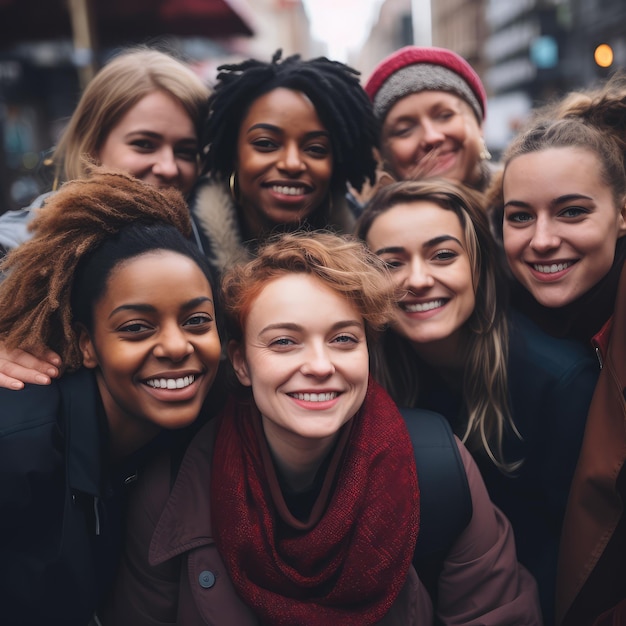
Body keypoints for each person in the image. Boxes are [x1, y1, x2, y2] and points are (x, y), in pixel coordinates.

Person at [101, 230, 541, 625]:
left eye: (343, 339)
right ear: (240, 363)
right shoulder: (176, 485)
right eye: (284, 342)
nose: (319, 365)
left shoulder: (438, 467)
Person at [356, 179, 598, 623]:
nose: (418, 279)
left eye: (443, 255)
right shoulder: (366, 375)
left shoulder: (561, 383)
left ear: (480, 265)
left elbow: (581, 551)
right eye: (391, 263)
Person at [0, 170, 222, 625]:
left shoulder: (203, 429)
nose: (178, 347)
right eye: (136, 327)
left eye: (197, 321)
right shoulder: (18, 448)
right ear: (86, 344)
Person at [493, 78, 626, 626]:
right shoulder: (499, 323)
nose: (541, 239)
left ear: (622, 214)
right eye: (520, 216)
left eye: (572, 212)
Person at [0, 45, 210, 389]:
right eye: (144, 144)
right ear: (93, 146)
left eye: (185, 151)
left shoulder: (200, 235)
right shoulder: (31, 236)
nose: (169, 167)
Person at [188, 49, 379, 276]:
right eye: (266, 144)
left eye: (315, 149)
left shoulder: (372, 245)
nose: (292, 164)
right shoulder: (187, 244)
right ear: (233, 152)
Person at [359, 45, 492, 206]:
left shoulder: (524, 196)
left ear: (479, 125)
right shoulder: (362, 228)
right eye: (404, 130)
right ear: (381, 154)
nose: (431, 137)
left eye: (445, 116)